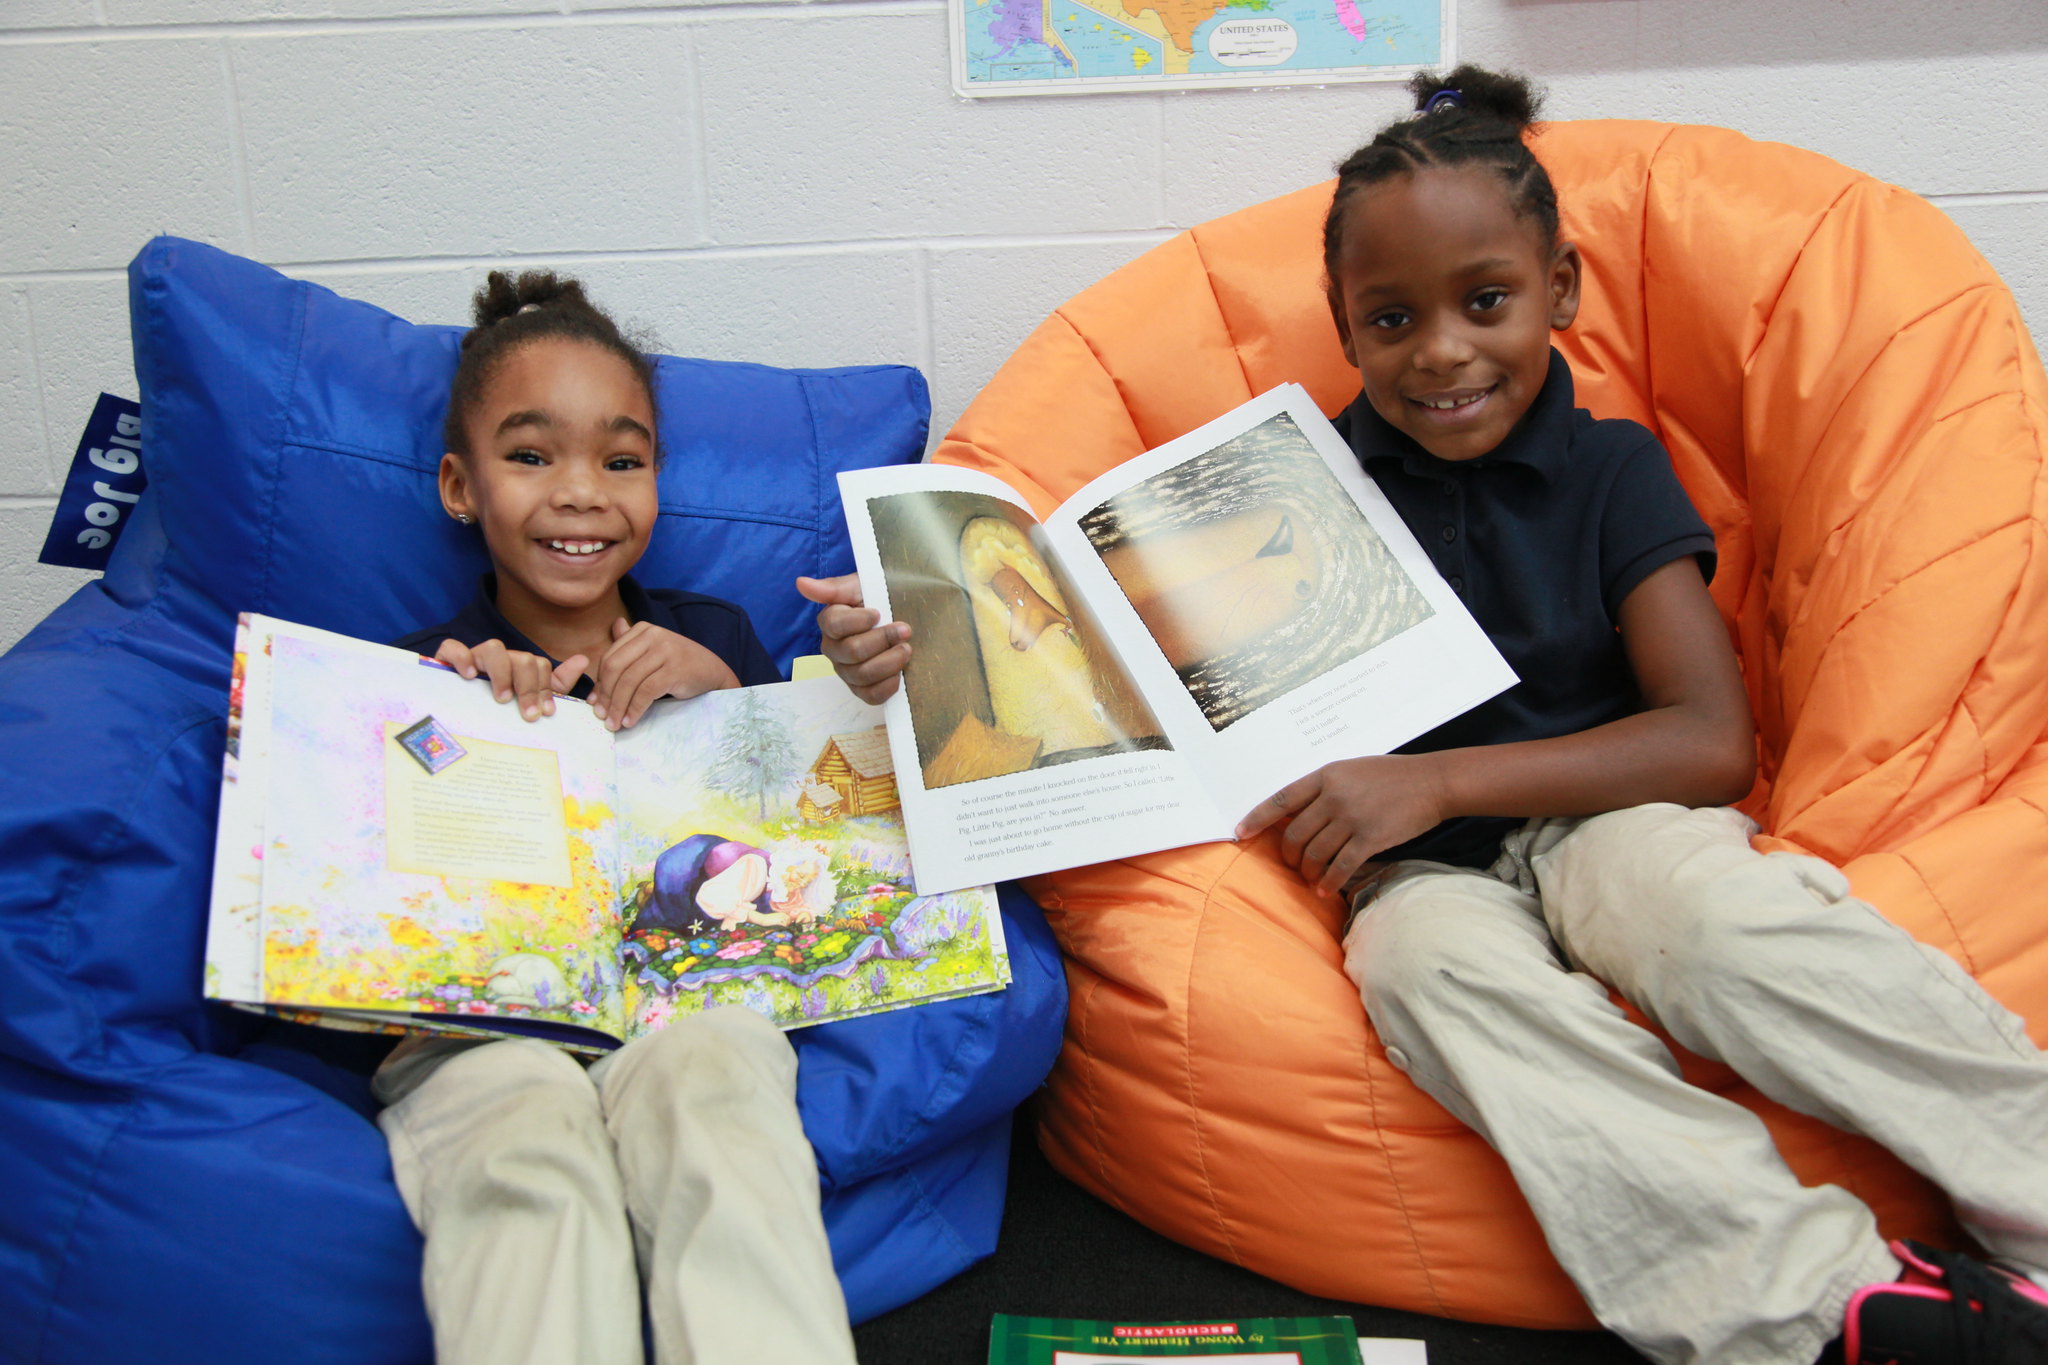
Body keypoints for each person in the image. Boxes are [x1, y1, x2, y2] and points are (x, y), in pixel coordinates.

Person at [803, 69, 2048, 1365]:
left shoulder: (1614, 470)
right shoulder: (1287, 492)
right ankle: (1828, 1304)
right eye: (1391, 318)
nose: (1442, 349)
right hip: (1411, 877)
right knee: (1420, 968)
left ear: (1561, 292)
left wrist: (1444, 785)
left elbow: (1709, 742)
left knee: (1706, 914)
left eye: (1487, 302)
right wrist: (915, 644)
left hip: (1606, 814)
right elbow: (1117, 677)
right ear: (1345, 327)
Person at [376, 270, 857, 1365]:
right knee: (524, 1129)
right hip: (482, 1029)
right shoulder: (419, 674)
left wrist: (732, 702)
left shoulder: (715, 635)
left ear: (655, 482)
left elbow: (809, 875)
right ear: (461, 485)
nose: (582, 493)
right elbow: (375, 926)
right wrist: (442, 717)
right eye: (531, 455)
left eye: (621, 461)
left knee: (723, 1079)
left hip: (685, 1004)